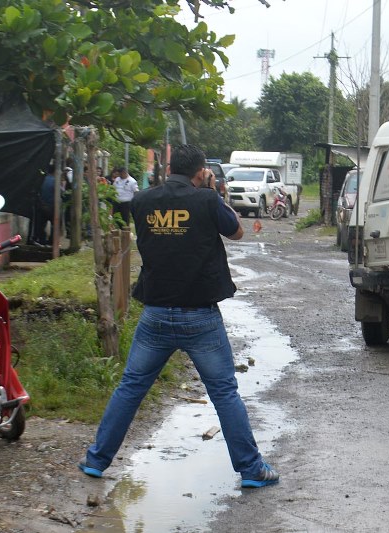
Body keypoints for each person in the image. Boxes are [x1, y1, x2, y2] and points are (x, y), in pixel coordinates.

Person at [80, 144, 279, 488]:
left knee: (131, 387)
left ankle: (96, 460)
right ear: (200, 171)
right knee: (224, 392)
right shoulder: (206, 199)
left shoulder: (141, 201)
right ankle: (251, 470)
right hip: (200, 317)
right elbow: (236, 231)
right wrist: (214, 191)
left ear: (170, 167)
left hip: (155, 315)